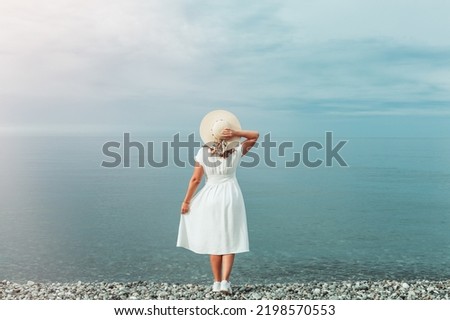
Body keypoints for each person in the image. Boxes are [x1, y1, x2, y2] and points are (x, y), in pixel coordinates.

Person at [177, 110, 259, 295]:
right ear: (229, 133)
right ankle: (225, 283)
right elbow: (255, 136)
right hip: (231, 195)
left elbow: (195, 180)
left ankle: (215, 282)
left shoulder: (202, 152)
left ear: (211, 134)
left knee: (214, 239)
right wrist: (237, 134)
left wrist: (186, 201)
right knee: (230, 239)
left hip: (211, 197)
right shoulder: (237, 150)